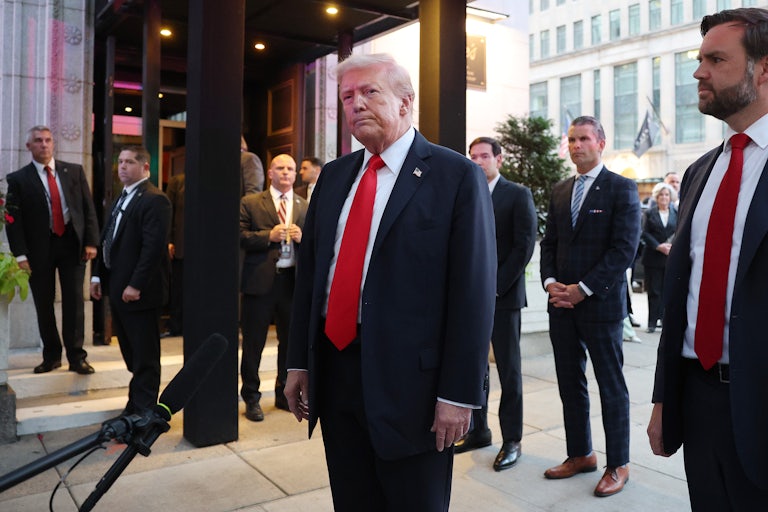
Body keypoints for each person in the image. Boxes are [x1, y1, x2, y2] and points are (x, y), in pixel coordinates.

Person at [284, 53, 496, 511]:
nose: (356, 104)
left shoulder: (455, 175)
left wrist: (458, 393)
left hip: (414, 392)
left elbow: (472, 294)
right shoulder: (335, 176)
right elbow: (311, 280)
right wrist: (298, 362)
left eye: (369, 92)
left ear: (405, 102)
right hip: (337, 376)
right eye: (347, 96)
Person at [648, 8, 768, 509]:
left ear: (763, 70)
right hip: (697, 402)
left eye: (716, 59)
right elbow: (682, 293)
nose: (698, 72)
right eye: (699, 59)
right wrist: (663, 398)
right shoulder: (700, 172)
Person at [539, 116, 640, 497]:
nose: (576, 145)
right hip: (561, 306)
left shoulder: (621, 188)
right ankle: (580, 454)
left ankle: (619, 464)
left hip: (600, 307)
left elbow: (624, 251)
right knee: (570, 384)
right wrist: (551, 284)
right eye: (571, 139)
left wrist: (583, 289)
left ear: (601, 142)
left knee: (611, 387)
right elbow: (550, 243)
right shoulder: (561, 190)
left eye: (583, 139)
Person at [455, 137, 536, 473]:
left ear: (498, 160)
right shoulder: (464, 193)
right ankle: (478, 431)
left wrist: (495, 288)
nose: (477, 161)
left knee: (509, 372)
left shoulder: (517, 194)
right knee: (474, 369)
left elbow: (524, 246)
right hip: (468, 299)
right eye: (472, 156)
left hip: (503, 298)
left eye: (484, 156)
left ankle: (512, 440)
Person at [6, 125, 100, 375]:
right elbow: (12, 221)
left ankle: (77, 357)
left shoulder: (74, 172)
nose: (44, 145)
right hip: (39, 248)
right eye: (38, 141)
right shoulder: (18, 179)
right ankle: (51, 356)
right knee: (44, 303)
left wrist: (91, 241)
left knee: (74, 303)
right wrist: (21, 255)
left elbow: (87, 208)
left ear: (53, 144)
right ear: (29, 146)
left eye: (48, 140)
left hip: (72, 244)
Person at [90, 146, 171, 414]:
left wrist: (135, 284)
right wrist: (97, 275)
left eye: (129, 162)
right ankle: (137, 403)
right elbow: (108, 239)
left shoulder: (154, 199)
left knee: (145, 356)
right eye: (120, 162)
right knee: (131, 354)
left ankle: (142, 413)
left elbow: (153, 248)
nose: (122, 166)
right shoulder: (122, 197)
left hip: (140, 292)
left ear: (145, 168)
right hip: (117, 287)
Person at [239, 154, 307, 422]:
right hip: (260, 282)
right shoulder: (252, 202)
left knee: (289, 344)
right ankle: (252, 398)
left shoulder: (303, 205)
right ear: (270, 172)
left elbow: (318, 240)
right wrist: (268, 236)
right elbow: (240, 236)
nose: (286, 173)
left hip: (292, 283)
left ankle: (282, 393)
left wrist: (304, 238)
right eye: (280, 168)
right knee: (253, 344)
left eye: (290, 168)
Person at [641, 182, 677, 333]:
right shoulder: (649, 213)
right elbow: (643, 233)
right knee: (654, 291)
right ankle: (652, 322)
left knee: (667, 290)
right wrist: (658, 246)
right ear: (656, 197)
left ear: (670, 197)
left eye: (667, 195)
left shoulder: (677, 212)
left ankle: (664, 320)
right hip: (653, 257)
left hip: (670, 257)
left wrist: (670, 246)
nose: (664, 197)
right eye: (661, 195)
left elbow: (681, 230)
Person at [164, 172, 185, 337]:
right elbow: (168, 211)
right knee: (179, 288)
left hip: (206, 247)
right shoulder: (177, 181)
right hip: (181, 245)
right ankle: (176, 325)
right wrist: (169, 240)